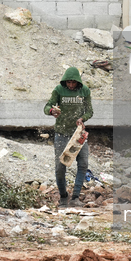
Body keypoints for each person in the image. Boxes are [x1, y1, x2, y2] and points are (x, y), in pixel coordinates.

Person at [44, 67, 93, 207]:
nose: (71, 85)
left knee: (83, 164)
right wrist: (52, 111)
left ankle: (75, 197)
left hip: (78, 134)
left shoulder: (85, 91)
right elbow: (46, 107)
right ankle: (63, 196)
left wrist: (82, 118)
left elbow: (90, 111)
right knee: (60, 167)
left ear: (78, 82)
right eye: (69, 82)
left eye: (73, 82)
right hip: (61, 134)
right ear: (65, 81)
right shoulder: (59, 90)